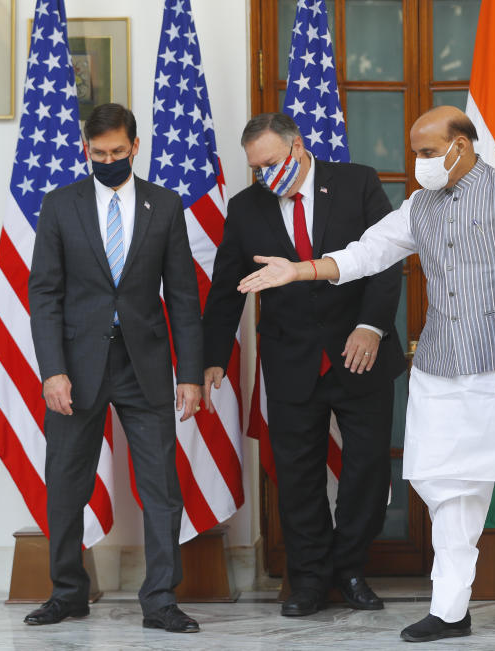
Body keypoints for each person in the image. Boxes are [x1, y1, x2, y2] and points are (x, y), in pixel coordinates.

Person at [240, 106, 495, 643]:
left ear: (463, 145)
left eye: (429, 152)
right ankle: (450, 609)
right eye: (415, 152)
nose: (420, 162)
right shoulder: (418, 207)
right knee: (448, 491)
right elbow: (367, 253)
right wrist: (299, 269)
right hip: (440, 369)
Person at [202, 113, 405, 617]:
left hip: (360, 352)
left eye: (270, 163)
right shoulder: (246, 208)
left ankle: (351, 569)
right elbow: (229, 287)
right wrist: (213, 358)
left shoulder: (357, 182)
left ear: (296, 149)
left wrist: (372, 326)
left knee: (367, 468)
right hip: (290, 358)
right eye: (255, 168)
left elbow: (386, 259)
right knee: (298, 476)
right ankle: (311, 580)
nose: (264, 175)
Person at [27, 103, 202, 633]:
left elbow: (184, 297)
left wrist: (190, 374)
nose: (107, 160)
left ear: (135, 147)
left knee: (161, 488)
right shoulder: (60, 205)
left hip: (144, 365)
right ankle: (67, 593)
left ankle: (161, 601)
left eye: (117, 152)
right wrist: (52, 371)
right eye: (98, 153)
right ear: (86, 150)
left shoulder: (165, 205)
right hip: (76, 369)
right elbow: (45, 295)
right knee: (65, 482)